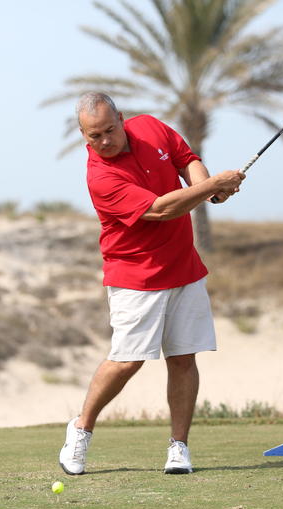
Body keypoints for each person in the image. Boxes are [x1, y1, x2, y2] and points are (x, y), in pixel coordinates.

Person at [59, 92, 244, 475]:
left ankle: (179, 447)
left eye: (109, 130)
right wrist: (213, 186)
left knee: (183, 357)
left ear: (122, 119)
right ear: (83, 135)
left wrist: (210, 187)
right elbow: (161, 209)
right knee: (127, 361)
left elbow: (186, 159)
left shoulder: (150, 127)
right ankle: (81, 428)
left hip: (183, 267)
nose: (104, 141)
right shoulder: (101, 176)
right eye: (94, 136)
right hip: (135, 276)